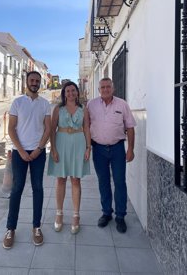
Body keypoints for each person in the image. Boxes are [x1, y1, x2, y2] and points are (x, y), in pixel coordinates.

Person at [3, 71, 51, 249]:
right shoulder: (17, 102)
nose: (35, 83)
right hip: (19, 153)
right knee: (17, 189)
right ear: (26, 82)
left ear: (40, 84)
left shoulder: (45, 104)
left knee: (38, 188)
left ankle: (36, 227)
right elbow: (11, 129)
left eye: (37, 81)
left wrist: (39, 148)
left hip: (38, 153)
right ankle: (10, 229)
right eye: (32, 80)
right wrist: (22, 151)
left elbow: (47, 129)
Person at [87, 78, 136, 233]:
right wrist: (87, 147)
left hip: (117, 148)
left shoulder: (122, 104)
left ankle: (120, 216)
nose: (105, 89)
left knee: (120, 182)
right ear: (99, 89)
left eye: (108, 87)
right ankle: (106, 213)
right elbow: (86, 127)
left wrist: (131, 149)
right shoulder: (91, 105)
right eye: (103, 87)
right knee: (103, 182)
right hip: (99, 149)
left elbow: (130, 128)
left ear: (113, 88)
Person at [47, 81, 91, 234]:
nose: (70, 93)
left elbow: (86, 128)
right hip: (61, 143)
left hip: (78, 144)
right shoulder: (58, 109)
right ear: (64, 94)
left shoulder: (83, 109)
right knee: (60, 179)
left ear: (77, 92)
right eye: (67, 91)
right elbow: (52, 129)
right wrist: (53, 149)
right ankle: (59, 213)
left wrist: (88, 147)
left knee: (75, 179)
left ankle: (76, 215)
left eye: (73, 90)